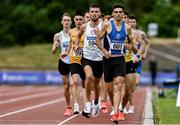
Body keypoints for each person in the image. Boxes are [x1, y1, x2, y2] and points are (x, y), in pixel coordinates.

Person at [96, 3, 133, 123]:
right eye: (116, 12)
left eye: (120, 12)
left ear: (123, 14)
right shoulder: (107, 25)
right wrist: (104, 51)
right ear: (112, 14)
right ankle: (114, 107)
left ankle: (116, 113)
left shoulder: (127, 28)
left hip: (120, 59)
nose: (118, 14)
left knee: (118, 85)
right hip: (108, 60)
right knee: (109, 88)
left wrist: (129, 46)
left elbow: (131, 41)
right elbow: (97, 40)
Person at [75, 4, 103, 118]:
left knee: (96, 84)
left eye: (96, 11)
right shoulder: (84, 26)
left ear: (100, 13)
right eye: (92, 11)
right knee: (89, 77)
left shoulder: (104, 25)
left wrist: (100, 35)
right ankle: (87, 104)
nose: (94, 13)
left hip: (100, 59)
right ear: (89, 13)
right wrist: (76, 45)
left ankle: (96, 102)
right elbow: (77, 36)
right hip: (86, 57)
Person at [64, 10, 86, 114]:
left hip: (86, 61)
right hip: (74, 60)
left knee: (86, 84)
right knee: (74, 83)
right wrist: (66, 52)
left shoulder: (87, 31)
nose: (78, 21)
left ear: (83, 20)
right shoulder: (71, 32)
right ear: (74, 20)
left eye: (80, 19)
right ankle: (76, 105)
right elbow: (70, 44)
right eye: (76, 19)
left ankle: (90, 103)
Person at [128, 15, 150, 113]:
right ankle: (129, 105)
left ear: (136, 23)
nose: (132, 23)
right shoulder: (125, 32)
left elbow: (147, 43)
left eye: (133, 22)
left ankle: (129, 103)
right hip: (127, 60)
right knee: (127, 86)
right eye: (130, 21)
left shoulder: (140, 33)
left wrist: (144, 54)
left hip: (137, 60)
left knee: (135, 83)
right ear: (128, 22)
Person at [51, 12, 72, 116]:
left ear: (71, 22)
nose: (66, 22)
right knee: (66, 86)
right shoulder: (58, 35)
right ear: (61, 22)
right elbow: (53, 51)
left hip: (74, 61)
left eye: (68, 20)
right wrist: (55, 47)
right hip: (63, 62)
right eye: (65, 20)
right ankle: (68, 106)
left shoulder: (75, 33)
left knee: (77, 83)